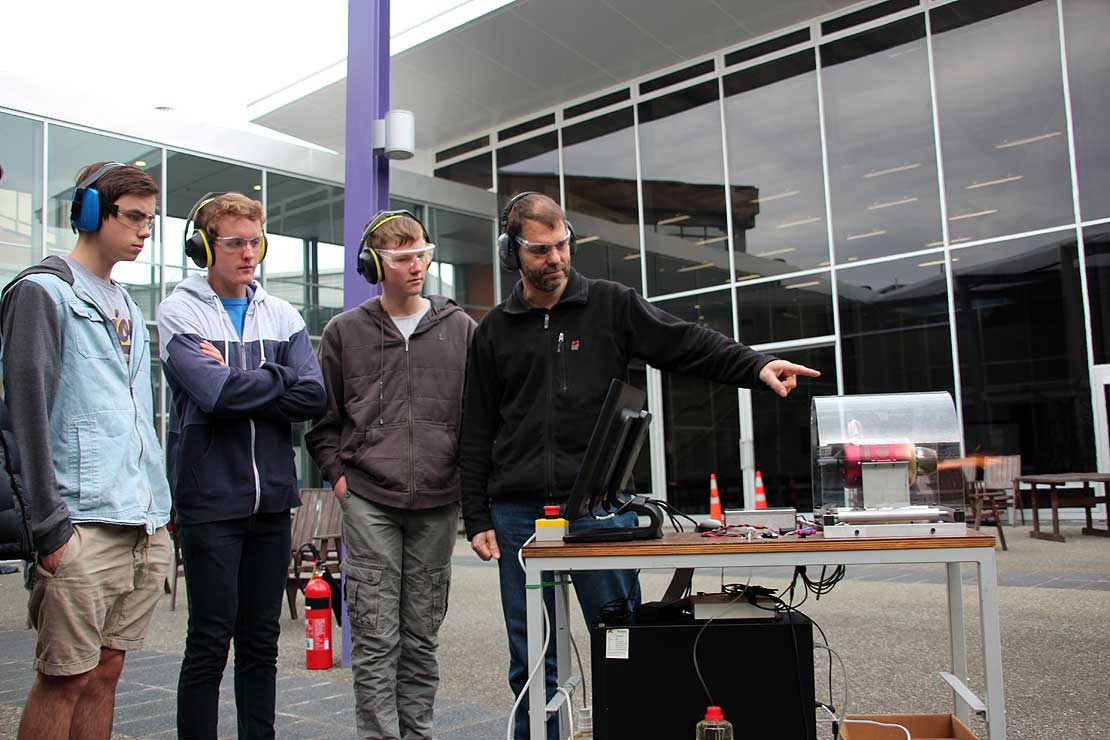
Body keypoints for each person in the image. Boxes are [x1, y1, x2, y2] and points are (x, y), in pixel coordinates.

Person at [459, 192, 821, 739]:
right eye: (540, 249)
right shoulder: (493, 332)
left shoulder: (612, 305)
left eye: (562, 245)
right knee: (532, 655)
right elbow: (477, 427)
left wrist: (756, 365)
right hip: (517, 514)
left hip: (600, 511)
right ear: (513, 252)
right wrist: (475, 513)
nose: (555, 258)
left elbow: (687, 344)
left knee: (618, 643)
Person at [1, 161, 172, 740]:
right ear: (92, 213)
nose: (145, 231)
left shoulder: (126, 302)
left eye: (151, 220)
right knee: (64, 678)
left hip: (140, 521)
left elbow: (134, 416)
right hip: (81, 522)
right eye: (133, 218)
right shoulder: (40, 292)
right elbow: (24, 421)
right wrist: (49, 529)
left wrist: (161, 509)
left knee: (108, 670)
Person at [157, 192, 326, 740]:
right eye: (234, 243)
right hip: (210, 502)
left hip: (273, 501)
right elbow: (212, 395)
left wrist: (241, 377)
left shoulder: (282, 314)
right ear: (205, 247)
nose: (248, 253)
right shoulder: (179, 310)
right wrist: (279, 379)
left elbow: (314, 397)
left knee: (261, 642)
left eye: (255, 242)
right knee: (209, 639)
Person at [306, 210, 476, 740]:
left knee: (422, 633)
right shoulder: (344, 332)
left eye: (422, 255)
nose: (416, 267)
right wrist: (342, 483)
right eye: (403, 258)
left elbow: (478, 421)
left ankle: (417, 733)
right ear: (374, 264)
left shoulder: (461, 330)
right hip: (369, 500)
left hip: (437, 501)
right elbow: (322, 423)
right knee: (376, 636)